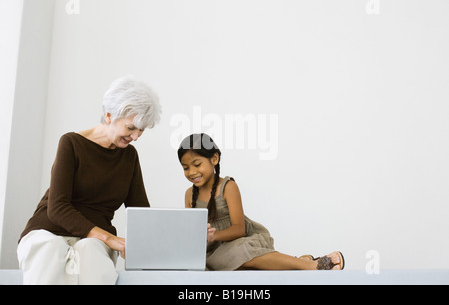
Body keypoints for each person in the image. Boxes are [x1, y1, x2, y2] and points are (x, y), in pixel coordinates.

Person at [17, 76, 162, 284]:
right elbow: (57, 207)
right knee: (52, 248)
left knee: (91, 250)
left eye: (142, 130)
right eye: (131, 128)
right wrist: (109, 238)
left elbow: (140, 212)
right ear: (109, 115)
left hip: (93, 241)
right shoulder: (71, 143)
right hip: (47, 231)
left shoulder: (129, 156)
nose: (136, 137)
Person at [177, 133, 345, 271]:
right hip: (213, 253)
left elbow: (239, 229)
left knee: (239, 253)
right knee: (223, 265)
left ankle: (311, 265)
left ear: (214, 159)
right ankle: (296, 262)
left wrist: (214, 235)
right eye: (185, 168)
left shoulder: (228, 187)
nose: (192, 172)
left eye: (197, 164)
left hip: (237, 242)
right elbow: (192, 234)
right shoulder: (189, 195)